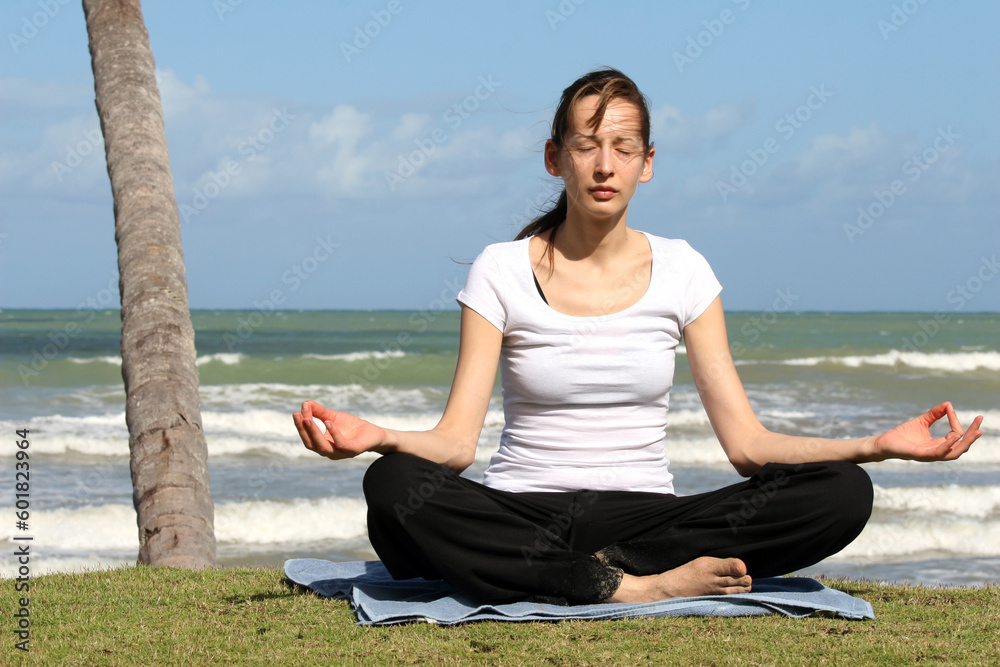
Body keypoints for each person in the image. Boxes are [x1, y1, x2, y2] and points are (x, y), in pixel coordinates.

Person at [293, 68, 984, 605]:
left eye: (622, 148)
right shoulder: (501, 268)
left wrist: (876, 445)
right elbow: (454, 445)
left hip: (647, 522)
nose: (604, 166)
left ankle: (593, 571)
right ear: (554, 157)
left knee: (842, 493)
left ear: (646, 162)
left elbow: (748, 447)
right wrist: (376, 436)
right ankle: (627, 587)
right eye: (587, 146)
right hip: (521, 508)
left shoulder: (684, 269)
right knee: (393, 490)